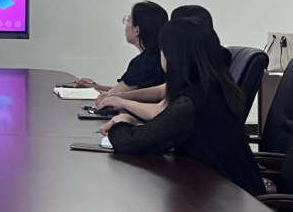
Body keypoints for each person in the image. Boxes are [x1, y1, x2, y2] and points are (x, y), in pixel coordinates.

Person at [101, 18, 265, 196]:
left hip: (233, 197)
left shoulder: (193, 101)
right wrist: (131, 120)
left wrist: (121, 122)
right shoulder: (213, 87)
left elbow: (131, 142)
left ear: (173, 56)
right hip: (224, 190)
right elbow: (164, 133)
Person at [96, 5, 231, 121]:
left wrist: (122, 106)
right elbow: (161, 91)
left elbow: (160, 112)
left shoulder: (195, 89)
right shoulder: (206, 72)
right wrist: (121, 98)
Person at [74, 1, 168, 94]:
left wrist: (80, 92)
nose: (125, 25)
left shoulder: (146, 63)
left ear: (137, 30)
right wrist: (96, 87)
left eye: (128, 20)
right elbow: (130, 92)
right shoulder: (158, 56)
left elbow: (112, 96)